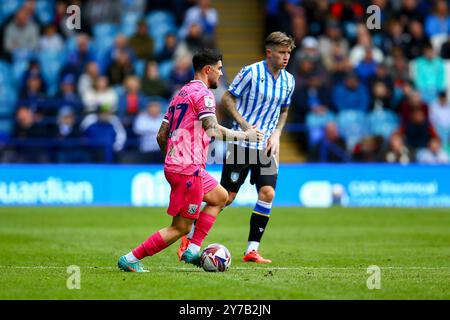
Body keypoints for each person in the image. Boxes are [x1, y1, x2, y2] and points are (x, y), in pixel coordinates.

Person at [117, 49, 263, 272]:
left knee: (221, 197)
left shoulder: (180, 94)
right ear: (208, 69)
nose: (221, 74)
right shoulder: (204, 95)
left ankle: (194, 249)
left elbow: (160, 135)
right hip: (187, 169)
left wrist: (173, 159)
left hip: (183, 166)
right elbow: (212, 130)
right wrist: (246, 135)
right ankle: (131, 258)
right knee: (180, 227)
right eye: (220, 69)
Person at [179, 32, 296, 264]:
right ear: (269, 52)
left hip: (266, 146)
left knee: (268, 193)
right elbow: (227, 99)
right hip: (242, 143)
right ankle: (190, 237)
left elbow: (284, 110)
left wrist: (277, 134)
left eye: (289, 53)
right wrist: (243, 125)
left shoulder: (289, 81)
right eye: (282, 53)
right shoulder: (251, 72)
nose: (286, 57)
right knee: (227, 197)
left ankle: (252, 249)